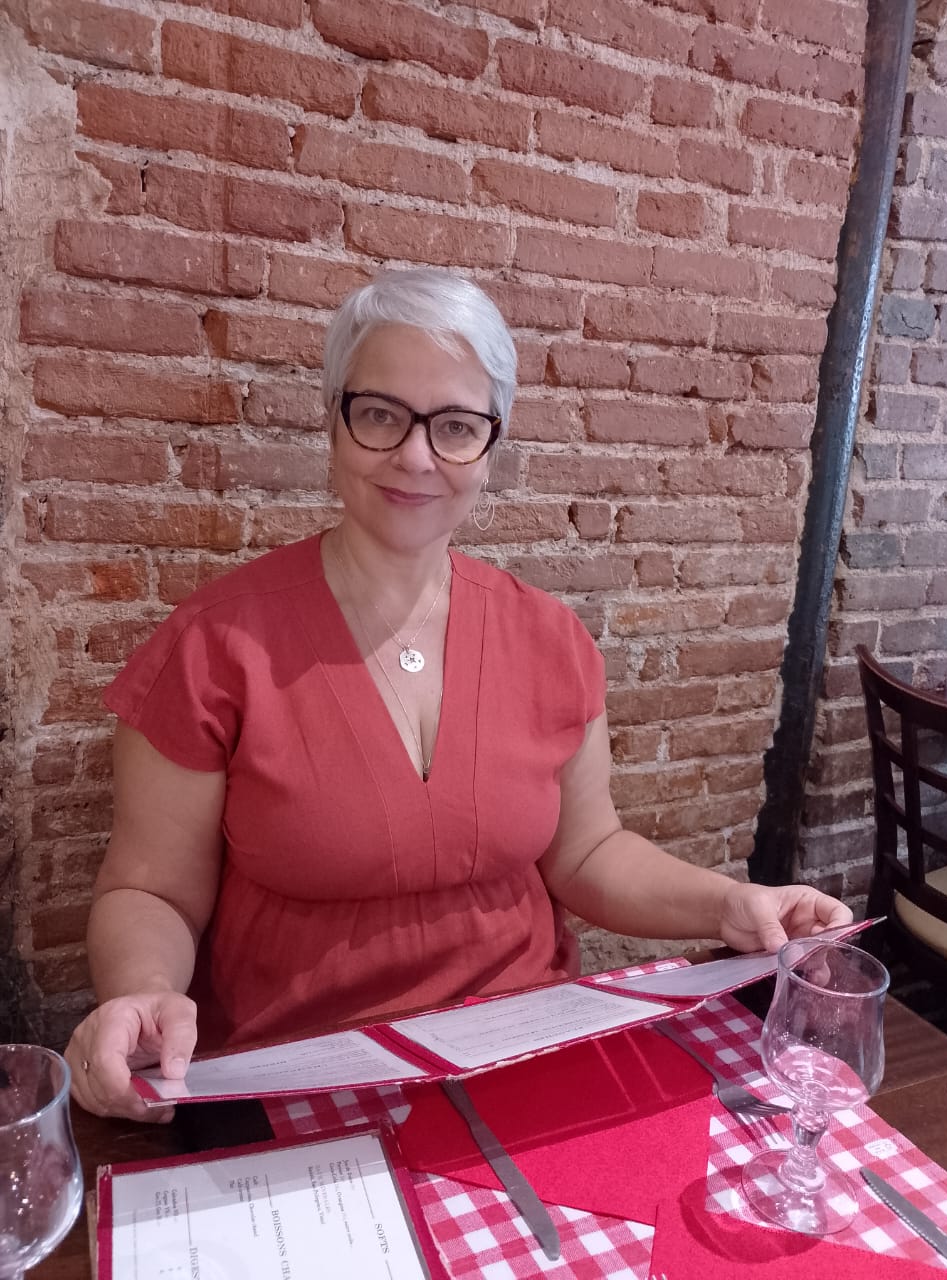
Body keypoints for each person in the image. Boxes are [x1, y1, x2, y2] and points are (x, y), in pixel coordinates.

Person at [66, 268, 852, 1120]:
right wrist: (142, 991)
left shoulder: (549, 638)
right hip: (296, 1077)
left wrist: (730, 904)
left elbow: (586, 854)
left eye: (454, 427)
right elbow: (151, 890)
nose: (415, 456)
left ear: (489, 448)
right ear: (332, 421)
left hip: (523, 1050)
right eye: (379, 414)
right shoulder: (215, 645)